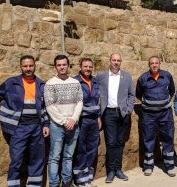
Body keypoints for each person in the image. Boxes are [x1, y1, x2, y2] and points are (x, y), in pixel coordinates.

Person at [0, 55, 50, 187]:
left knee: (37, 160)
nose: (28, 68)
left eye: (30, 66)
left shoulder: (42, 85)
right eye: (25, 66)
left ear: (35, 66)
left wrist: (46, 124)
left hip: (37, 127)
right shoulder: (11, 83)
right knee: (17, 160)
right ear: (20, 66)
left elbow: (45, 108)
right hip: (18, 127)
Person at [44, 55, 83, 187]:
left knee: (68, 156)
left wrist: (73, 119)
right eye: (59, 65)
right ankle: (54, 184)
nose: (62, 67)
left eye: (64, 64)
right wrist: (64, 121)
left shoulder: (75, 83)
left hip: (73, 125)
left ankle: (67, 182)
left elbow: (80, 102)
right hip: (57, 126)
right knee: (55, 157)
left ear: (68, 65)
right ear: (55, 67)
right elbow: (50, 106)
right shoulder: (50, 84)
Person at [97, 52, 135, 183]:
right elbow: (97, 95)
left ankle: (118, 169)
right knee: (111, 143)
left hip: (123, 113)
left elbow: (131, 95)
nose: (116, 62)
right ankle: (111, 171)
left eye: (118, 60)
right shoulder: (101, 76)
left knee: (120, 143)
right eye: (114, 60)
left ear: (121, 62)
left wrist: (129, 110)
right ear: (110, 61)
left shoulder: (127, 76)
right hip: (108, 114)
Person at [136, 56, 176, 177]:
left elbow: (172, 91)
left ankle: (169, 166)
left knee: (168, 138)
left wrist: (163, 102)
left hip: (165, 113)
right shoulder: (143, 78)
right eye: (152, 63)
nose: (154, 65)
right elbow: (139, 94)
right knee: (148, 139)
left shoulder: (167, 76)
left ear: (160, 64)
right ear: (149, 65)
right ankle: (148, 166)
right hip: (149, 115)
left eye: (156, 63)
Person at [73, 58, 101, 187]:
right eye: (85, 66)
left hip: (93, 120)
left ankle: (88, 176)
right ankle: (80, 178)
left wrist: (99, 117)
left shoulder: (95, 81)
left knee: (92, 148)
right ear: (80, 66)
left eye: (90, 67)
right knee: (80, 149)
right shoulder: (74, 81)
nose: (88, 69)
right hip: (81, 120)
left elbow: (97, 101)